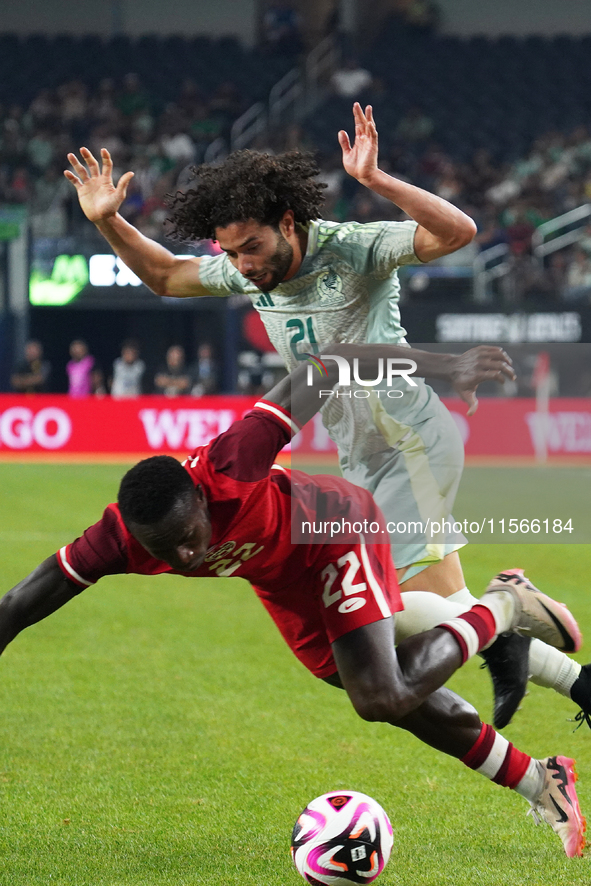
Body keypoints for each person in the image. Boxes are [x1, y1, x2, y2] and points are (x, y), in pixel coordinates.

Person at [63, 104, 567, 728]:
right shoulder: (252, 272)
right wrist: (109, 222)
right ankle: (548, 652)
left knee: (389, 616)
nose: (244, 265)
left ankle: (509, 612)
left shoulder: (353, 248)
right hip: (355, 455)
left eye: (252, 248)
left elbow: (458, 233)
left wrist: (379, 183)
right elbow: (165, 276)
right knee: (443, 606)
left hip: (406, 435)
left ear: (289, 221)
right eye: (231, 252)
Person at [0, 349, 585, 858]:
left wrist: (445, 365)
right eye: (164, 551)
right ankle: (542, 781)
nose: (182, 557)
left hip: (334, 529)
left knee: (380, 694)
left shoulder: (234, 460)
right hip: (283, 581)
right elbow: (21, 603)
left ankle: (504, 605)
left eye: (189, 538)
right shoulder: (118, 540)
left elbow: (336, 362)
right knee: (390, 686)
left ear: (202, 501)